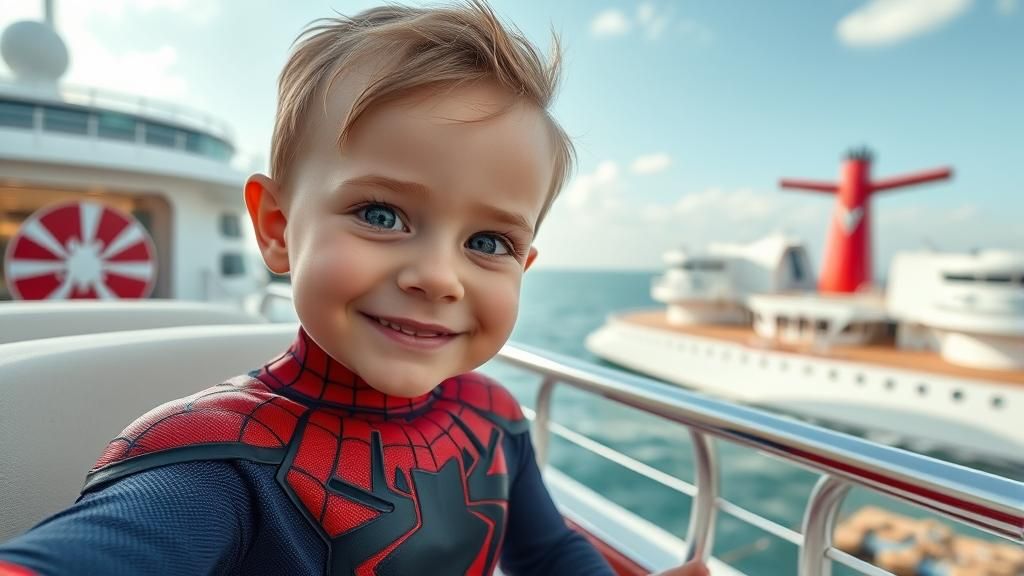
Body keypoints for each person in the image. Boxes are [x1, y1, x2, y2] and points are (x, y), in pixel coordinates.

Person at [0, 2, 709, 575]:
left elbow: (550, 553)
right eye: (381, 215)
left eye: (487, 243)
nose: (437, 276)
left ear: (523, 267)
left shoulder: (493, 418)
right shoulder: (218, 466)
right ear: (277, 228)